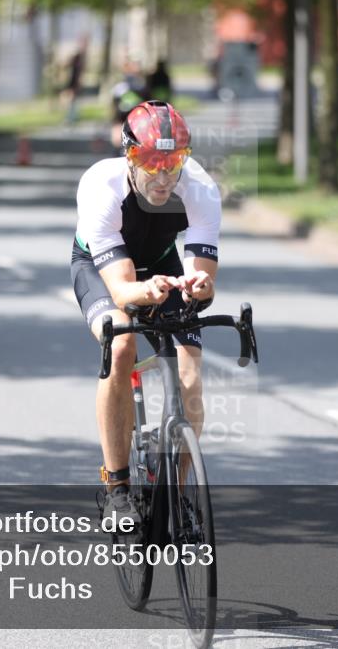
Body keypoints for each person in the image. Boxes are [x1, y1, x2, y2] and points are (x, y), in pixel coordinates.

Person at [70, 101, 221, 526]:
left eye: (173, 162)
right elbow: (121, 289)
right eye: (149, 161)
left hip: (160, 264)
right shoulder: (102, 186)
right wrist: (146, 291)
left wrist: (199, 286)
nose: (162, 175)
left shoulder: (201, 188)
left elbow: (203, 274)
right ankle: (117, 489)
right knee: (121, 347)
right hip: (100, 269)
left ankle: (175, 493)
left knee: (191, 375)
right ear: (129, 155)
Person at [65, 37, 88, 125]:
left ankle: (72, 116)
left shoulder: (82, 56)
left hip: (75, 81)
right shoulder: (77, 56)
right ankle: (70, 117)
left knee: (74, 100)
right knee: (71, 99)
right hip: (73, 81)